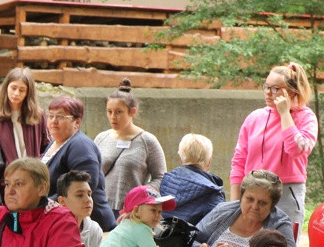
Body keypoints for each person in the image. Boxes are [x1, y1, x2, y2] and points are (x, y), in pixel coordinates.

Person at [231, 62, 317, 233]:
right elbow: (239, 161)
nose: (268, 93)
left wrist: (285, 113)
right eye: (266, 87)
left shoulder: (306, 118)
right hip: (253, 193)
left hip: (287, 193)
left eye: (275, 88)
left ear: (292, 91)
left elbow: (296, 149)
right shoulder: (255, 118)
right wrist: (235, 202)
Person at [93, 78, 167, 217]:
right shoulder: (101, 138)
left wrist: (140, 198)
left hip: (132, 212)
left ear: (132, 112)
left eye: (118, 112)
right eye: (109, 111)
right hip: (101, 209)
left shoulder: (147, 141)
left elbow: (161, 178)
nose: (113, 117)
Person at [42, 96, 116, 231]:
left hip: (89, 226)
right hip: (61, 220)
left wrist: (42, 204)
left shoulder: (80, 145)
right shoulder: (55, 142)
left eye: (60, 117)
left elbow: (85, 183)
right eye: (51, 116)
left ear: (77, 122)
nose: (53, 121)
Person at [0, 67, 50, 187]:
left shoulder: (38, 116)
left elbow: (46, 147)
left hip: (34, 179)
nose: (16, 93)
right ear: (6, 87)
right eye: (13, 88)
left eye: (22, 90)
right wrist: (1, 165)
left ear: (28, 92)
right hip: (8, 181)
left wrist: (39, 165)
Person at [160, 133, 225, 225]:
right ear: (209, 162)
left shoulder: (165, 182)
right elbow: (217, 228)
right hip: (195, 239)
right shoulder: (213, 192)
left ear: (180, 159)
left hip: (161, 237)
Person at [56, 171, 102, 247]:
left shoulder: (94, 229)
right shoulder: (54, 231)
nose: (88, 199)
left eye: (89, 194)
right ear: (62, 201)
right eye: (80, 195)